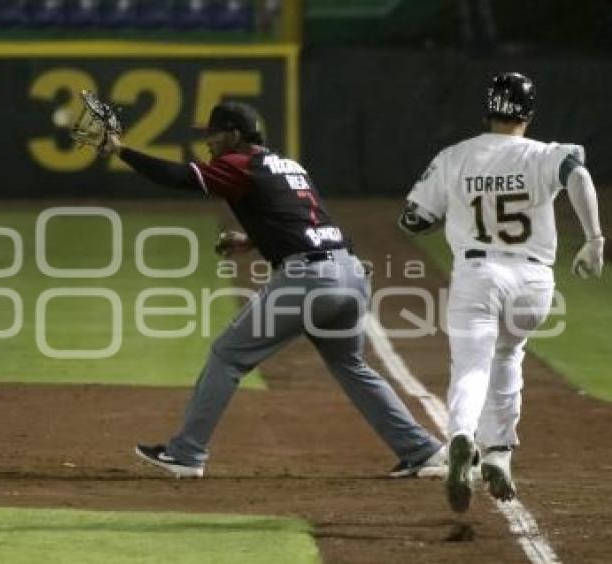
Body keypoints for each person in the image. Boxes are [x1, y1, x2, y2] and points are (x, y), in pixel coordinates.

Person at [99, 101, 445, 479]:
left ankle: (186, 453)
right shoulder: (289, 165)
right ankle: (420, 449)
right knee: (351, 365)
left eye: (213, 135)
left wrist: (121, 151)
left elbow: (179, 176)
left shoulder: (238, 164)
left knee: (226, 356)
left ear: (234, 135)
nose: (209, 144)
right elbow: (300, 219)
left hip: (310, 281)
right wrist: (251, 240)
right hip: (349, 272)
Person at [398, 72, 605, 512]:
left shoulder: (454, 156)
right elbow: (578, 175)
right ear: (528, 114)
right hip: (533, 280)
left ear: (487, 109)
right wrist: (594, 239)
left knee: (470, 367)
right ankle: (499, 454)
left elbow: (413, 219)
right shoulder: (544, 154)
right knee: (508, 356)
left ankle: (459, 438)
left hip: (477, 273)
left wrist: (451, 212)